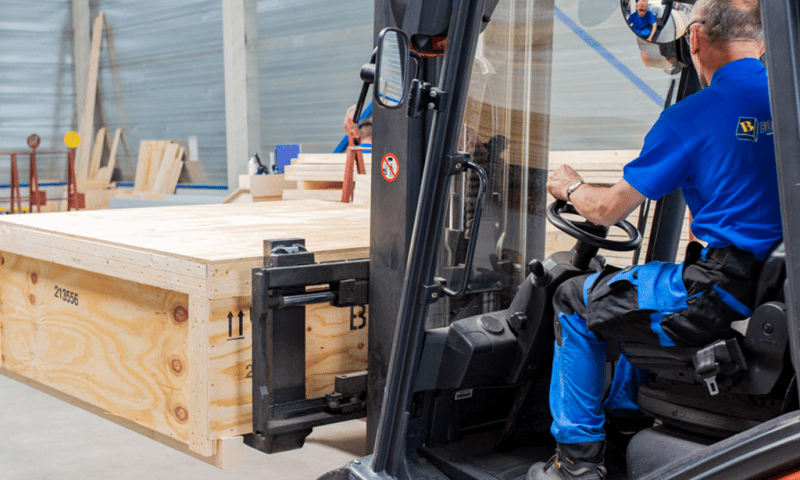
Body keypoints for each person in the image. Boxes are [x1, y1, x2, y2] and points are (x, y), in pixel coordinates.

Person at [528, 1, 781, 479]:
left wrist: (570, 187)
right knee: (632, 291)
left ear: (696, 39)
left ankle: (575, 463)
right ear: (763, 44)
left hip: (714, 293)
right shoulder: (786, 103)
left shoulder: (693, 115)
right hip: (763, 286)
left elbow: (606, 211)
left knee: (573, 299)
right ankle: (625, 421)